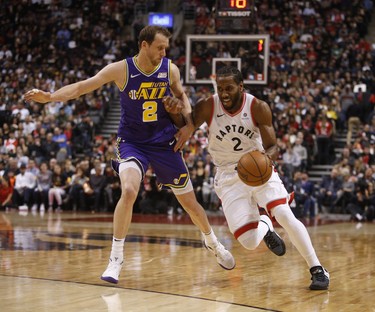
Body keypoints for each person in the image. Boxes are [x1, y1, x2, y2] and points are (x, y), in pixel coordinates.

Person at [23, 25, 235, 284]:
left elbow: (182, 96)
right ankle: (116, 258)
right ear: (144, 45)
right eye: (159, 47)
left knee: (190, 204)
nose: (164, 52)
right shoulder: (121, 69)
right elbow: (82, 87)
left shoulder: (170, 69)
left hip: (164, 143)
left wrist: (189, 126)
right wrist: (51, 97)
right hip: (132, 142)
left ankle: (212, 242)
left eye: (165, 48)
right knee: (130, 190)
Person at [170, 66, 330, 290]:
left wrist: (265, 158)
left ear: (241, 87)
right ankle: (265, 225)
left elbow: (273, 146)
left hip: (258, 166)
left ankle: (317, 269)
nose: (224, 93)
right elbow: (185, 125)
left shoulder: (258, 107)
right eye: (220, 88)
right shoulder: (208, 105)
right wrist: (174, 111)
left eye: (229, 88)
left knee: (284, 213)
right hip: (227, 175)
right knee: (248, 242)